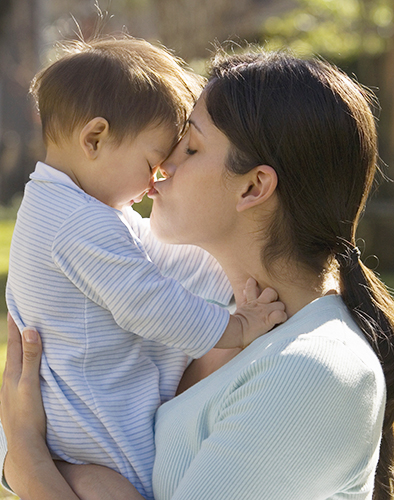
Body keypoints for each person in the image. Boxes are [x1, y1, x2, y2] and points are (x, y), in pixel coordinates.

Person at [2, 48, 394, 500]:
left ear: (253, 187)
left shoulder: (311, 369)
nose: (162, 167)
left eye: (189, 147)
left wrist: (29, 460)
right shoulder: (238, 319)